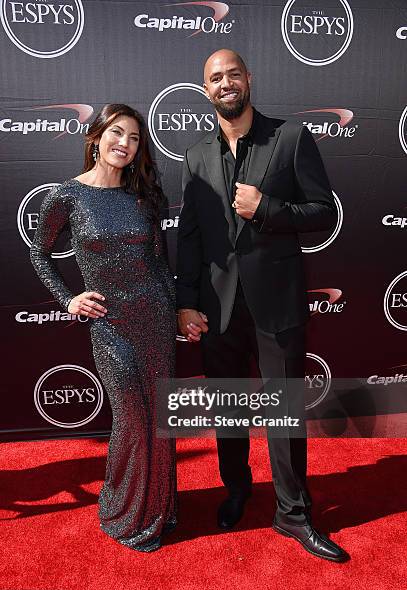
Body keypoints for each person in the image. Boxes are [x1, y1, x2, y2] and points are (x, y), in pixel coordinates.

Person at [176, 50, 349, 562]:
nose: (225, 83)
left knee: (285, 414)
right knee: (228, 409)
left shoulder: (290, 137)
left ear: (249, 79)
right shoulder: (195, 155)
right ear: (206, 90)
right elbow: (189, 238)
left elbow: (323, 211)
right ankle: (236, 491)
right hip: (217, 306)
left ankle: (294, 514)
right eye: (215, 78)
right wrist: (185, 303)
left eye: (233, 74)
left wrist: (266, 209)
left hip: (277, 303)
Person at [31, 104, 176, 552]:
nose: (125, 144)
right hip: (110, 323)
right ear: (96, 137)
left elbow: (160, 263)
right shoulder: (66, 196)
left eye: (134, 138)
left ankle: (159, 508)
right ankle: (123, 509)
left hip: (155, 314)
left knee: (158, 417)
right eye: (117, 133)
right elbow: (40, 252)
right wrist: (69, 298)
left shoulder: (145, 197)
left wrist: (178, 312)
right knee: (132, 417)